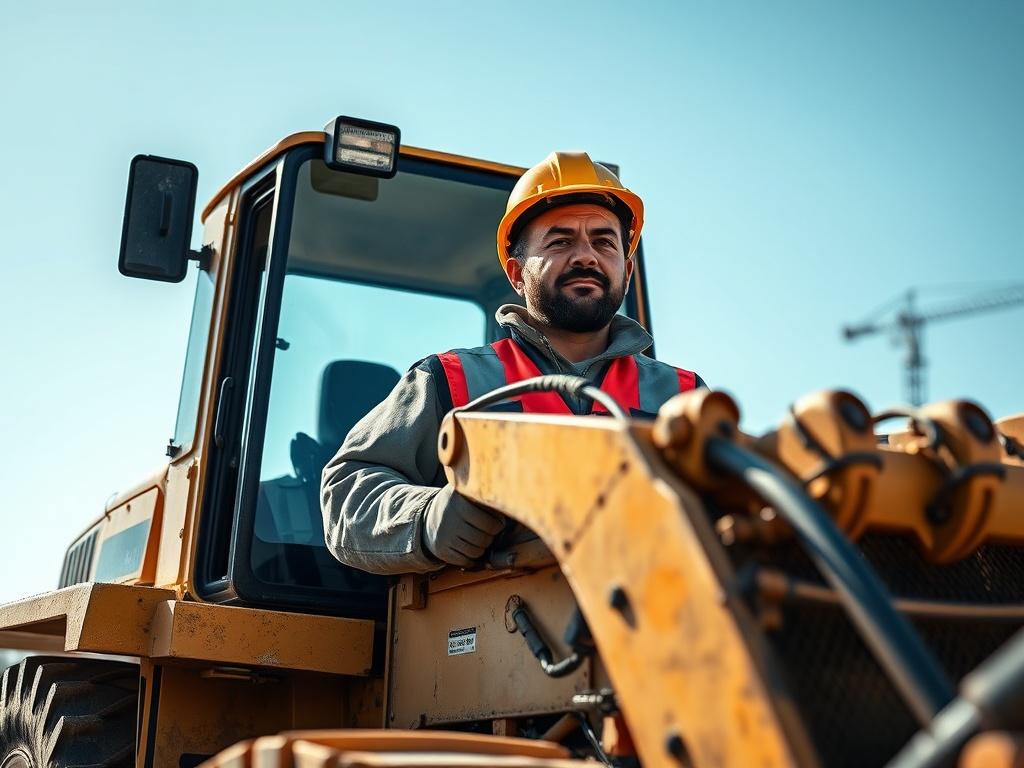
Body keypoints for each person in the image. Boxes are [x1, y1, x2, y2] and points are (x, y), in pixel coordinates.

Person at [321, 151, 705, 575]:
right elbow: (346, 493)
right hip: (486, 631)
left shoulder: (683, 398)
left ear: (627, 270)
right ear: (516, 274)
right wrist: (428, 518)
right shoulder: (450, 382)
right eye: (560, 241)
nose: (586, 257)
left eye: (604, 241)